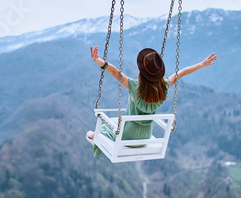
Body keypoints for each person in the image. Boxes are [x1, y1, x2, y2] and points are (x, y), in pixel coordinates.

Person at [87, 46, 217, 157]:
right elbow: (181, 73)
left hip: (129, 136)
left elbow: (114, 72)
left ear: (141, 73)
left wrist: (98, 60)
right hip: (145, 136)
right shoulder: (163, 87)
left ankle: (94, 136)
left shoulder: (134, 86)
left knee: (101, 129)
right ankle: (98, 135)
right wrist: (201, 64)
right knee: (115, 121)